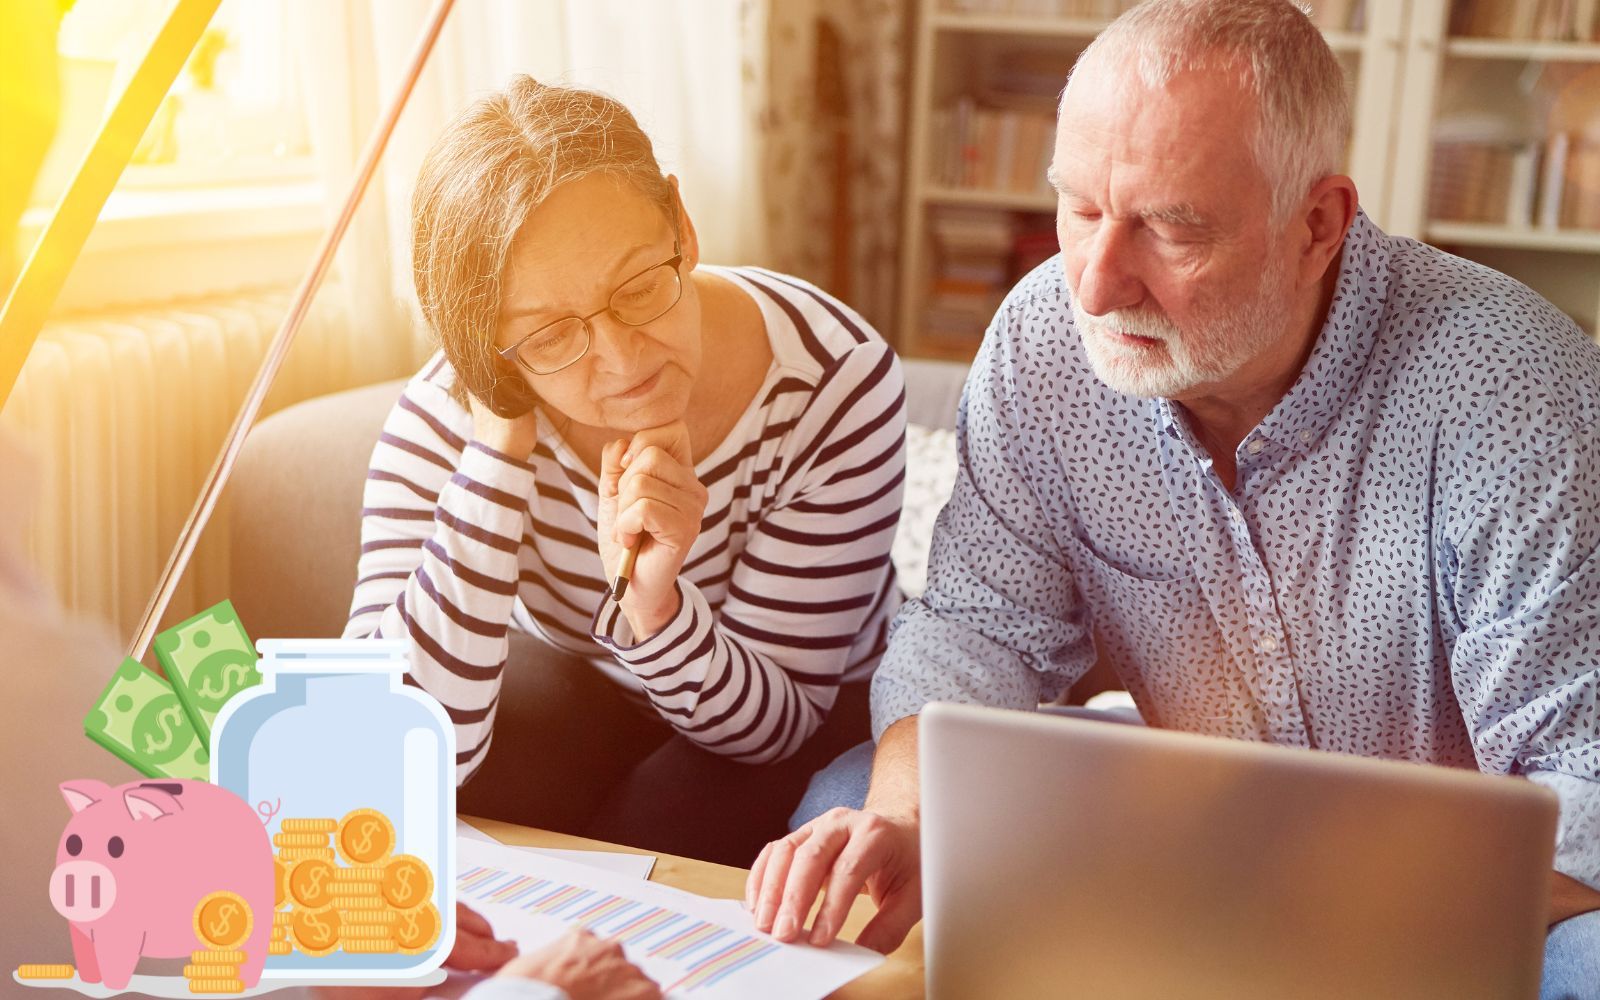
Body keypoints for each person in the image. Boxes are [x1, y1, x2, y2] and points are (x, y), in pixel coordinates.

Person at [746, 1, 1600, 996]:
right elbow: (978, 634)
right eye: (1080, 208)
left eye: (1169, 227)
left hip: (1449, 887)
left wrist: (1282, 907)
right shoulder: (1044, 345)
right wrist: (903, 821)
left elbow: (1580, 785)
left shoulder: (1514, 391)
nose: (1098, 286)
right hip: (1185, 821)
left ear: (1316, 223)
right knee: (846, 810)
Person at [345, 76, 906, 869]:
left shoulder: (832, 381)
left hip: (802, 709)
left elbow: (774, 725)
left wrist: (657, 605)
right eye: (548, 336)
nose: (623, 358)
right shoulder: (450, 411)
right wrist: (499, 450)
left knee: (668, 825)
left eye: (640, 287)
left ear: (681, 221)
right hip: (597, 689)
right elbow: (392, 747)